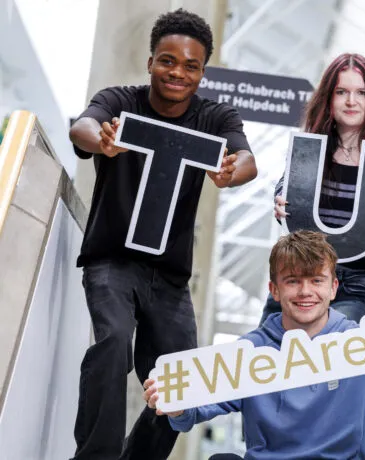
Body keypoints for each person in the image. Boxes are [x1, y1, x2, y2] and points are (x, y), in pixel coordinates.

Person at [69, 9, 257, 460]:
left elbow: (247, 159)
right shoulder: (120, 100)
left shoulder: (215, 117)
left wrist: (233, 172)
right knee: (113, 343)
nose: (178, 72)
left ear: (202, 72)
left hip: (170, 279)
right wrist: (103, 140)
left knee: (182, 384)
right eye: (167, 61)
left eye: (191, 65)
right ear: (151, 61)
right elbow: (82, 127)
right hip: (111, 261)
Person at [143, 230, 365, 459]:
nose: (305, 292)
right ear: (274, 289)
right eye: (292, 281)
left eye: (316, 281)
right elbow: (190, 412)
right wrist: (172, 402)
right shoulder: (249, 352)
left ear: (333, 288)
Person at [263, 53, 365, 324]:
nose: (351, 101)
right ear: (328, 98)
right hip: (303, 275)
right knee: (267, 350)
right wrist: (281, 200)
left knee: (330, 350)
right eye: (341, 91)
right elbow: (288, 186)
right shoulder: (311, 143)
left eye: (361, 92)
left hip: (360, 284)